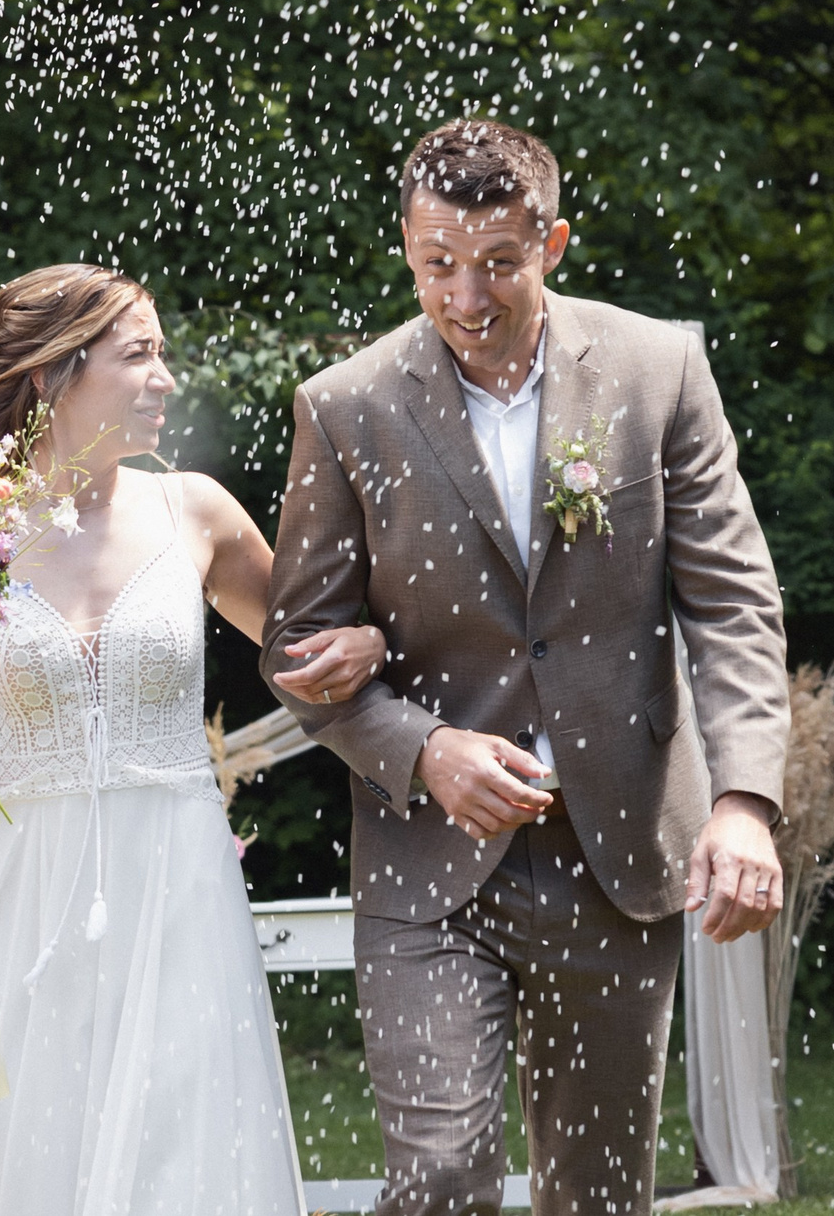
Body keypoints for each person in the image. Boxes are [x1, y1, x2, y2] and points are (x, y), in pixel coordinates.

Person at [262, 119, 790, 1216]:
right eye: (435, 264)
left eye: (498, 262)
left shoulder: (656, 368)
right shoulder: (344, 403)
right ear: (405, 246)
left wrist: (742, 802)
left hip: (617, 847)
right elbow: (296, 649)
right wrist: (422, 745)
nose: (465, 295)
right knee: (445, 1176)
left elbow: (732, 603)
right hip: (428, 860)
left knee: (597, 1193)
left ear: (551, 241)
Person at [0, 264, 390, 1216]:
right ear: (52, 374)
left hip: (175, 879)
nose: (166, 378)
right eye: (140, 356)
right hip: (18, 884)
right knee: (32, 1140)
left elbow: (309, 649)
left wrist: (365, 636)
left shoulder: (192, 511)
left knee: (182, 1139)